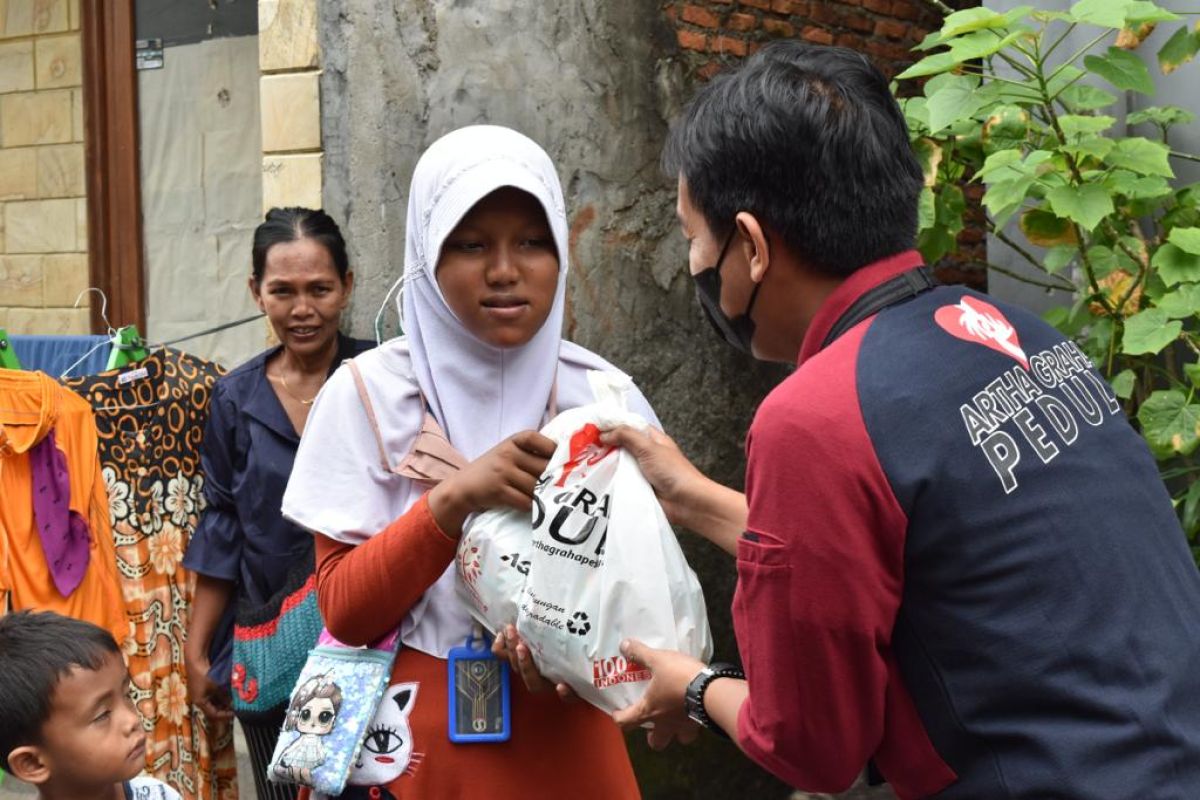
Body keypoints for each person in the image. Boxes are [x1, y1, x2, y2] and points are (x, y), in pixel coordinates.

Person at [607, 41, 1200, 799]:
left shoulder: (812, 417)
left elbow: (811, 745)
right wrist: (689, 497)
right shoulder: (1011, 334)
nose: (692, 261)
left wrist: (693, 684)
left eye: (694, 235)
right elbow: (899, 555)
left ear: (751, 247)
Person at [280, 125, 653, 798]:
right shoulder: (367, 395)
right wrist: (451, 504)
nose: (505, 269)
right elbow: (346, 611)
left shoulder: (604, 398)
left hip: (570, 735)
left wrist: (573, 649)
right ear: (426, 252)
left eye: (532, 242)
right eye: (471, 244)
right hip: (416, 745)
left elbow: (639, 603)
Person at [182, 208, 373, 800]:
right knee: (285, 789)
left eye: (319, 289)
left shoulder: (383, 376)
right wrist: (196, 648)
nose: (302, 309)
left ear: (347, 284)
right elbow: (225, 529)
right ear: (255, 292)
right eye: (282, 291)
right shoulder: (235, 401)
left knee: (374, 784)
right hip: (267, 641)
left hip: (372, 637)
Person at [0, 610, 183, 800]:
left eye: (128, 694)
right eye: (102, 715)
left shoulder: (159, 795)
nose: (132, 719)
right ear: (33, 763)